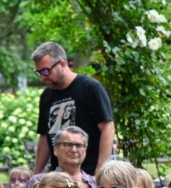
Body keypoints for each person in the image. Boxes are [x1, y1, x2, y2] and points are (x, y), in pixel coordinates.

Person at [32, 42, 114, 175]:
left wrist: (100, 173)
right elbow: (45, 136)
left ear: (62, 64)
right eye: (39, 72)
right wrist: (36, 175)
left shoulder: (90, 88)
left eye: (46, 71)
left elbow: (108, 128)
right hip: (59, 177)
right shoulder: (46, 96)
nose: (42, 77)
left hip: (88, 175)